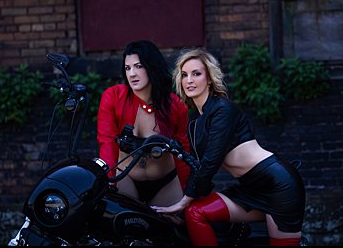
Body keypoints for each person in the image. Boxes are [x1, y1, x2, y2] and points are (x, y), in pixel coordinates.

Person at [152, 48, 305, 247]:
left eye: (196, 74)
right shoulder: (195, 122)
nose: (189, 80)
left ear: (208, 78)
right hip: (250, 189)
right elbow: (197, 166)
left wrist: (183, 201)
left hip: (278, 185)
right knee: (195, 212)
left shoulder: (223, 109)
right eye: (184, 75)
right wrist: (184, 207)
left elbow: (210, 161)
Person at [96, 40, 191, 206]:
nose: (132, 73)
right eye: (127, 68)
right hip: (126, 179)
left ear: (152, 67)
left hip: (166, 183)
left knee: (171, 228)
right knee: (125, 226)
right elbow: (107, 140)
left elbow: (184, 150)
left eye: (138, 66)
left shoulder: (176, 106)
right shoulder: (113, 97)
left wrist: (189, 191)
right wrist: (110, 179)